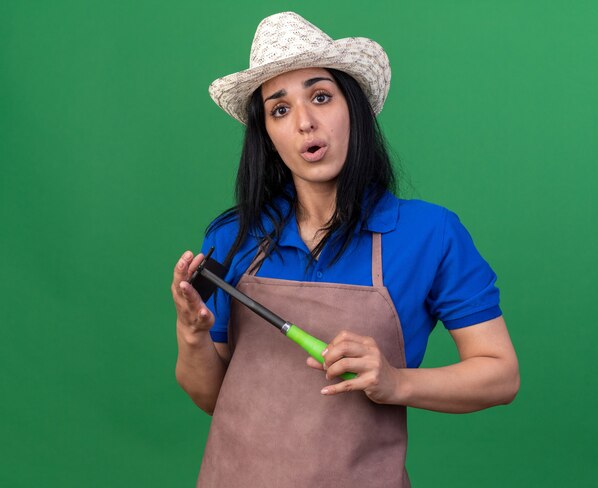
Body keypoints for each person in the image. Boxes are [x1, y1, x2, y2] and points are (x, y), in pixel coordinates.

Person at [171, 11, 519, 488]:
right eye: (280, 109)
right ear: (268, 137)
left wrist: (396, 382)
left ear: (352, 108)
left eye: (320, 96)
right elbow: (213, 397)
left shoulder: (429, 234)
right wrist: (192, 333)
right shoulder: (234, 237)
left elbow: (500, 375)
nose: (305, 123)